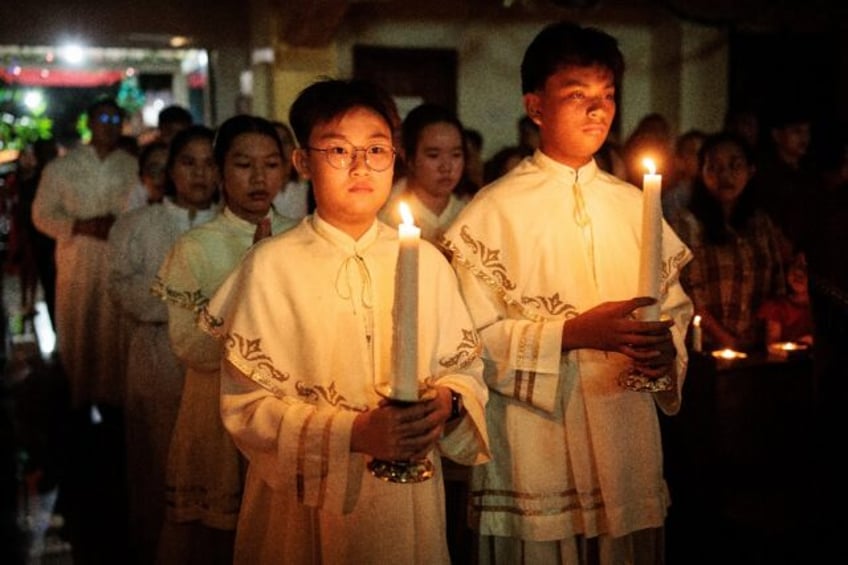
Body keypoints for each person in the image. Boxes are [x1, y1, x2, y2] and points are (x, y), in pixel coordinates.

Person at [204, 78, 490, 564]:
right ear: (302, 163)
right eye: (339, 149)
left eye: (376, 149)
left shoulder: (427, 262)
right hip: (302, 504)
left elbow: (466, 370)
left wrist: (447, 402)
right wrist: (354, 434)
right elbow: (247, 409)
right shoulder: (272, 266)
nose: (361, 166)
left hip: (406, 499)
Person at [442, 21, 693, 564]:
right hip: (533, 445)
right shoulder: (494, 210)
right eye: (577, 96)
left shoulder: (635, 207)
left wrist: (664, 351)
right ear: (535, 106)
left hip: (625, 428)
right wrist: (572, 333)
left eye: (606, 97)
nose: (598, 111)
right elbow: (466, 343)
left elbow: (674, 313)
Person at [152, 115, 296, 565]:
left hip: (286, 410)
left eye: (271, 164)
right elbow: (191, 347)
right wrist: (250, 275)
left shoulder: (301, 236)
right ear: (219, 170)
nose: (259, 178)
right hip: (215, 408)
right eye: (243, 164)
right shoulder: (195, 247)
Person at [108, 125, 219, 564]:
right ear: (171, 171)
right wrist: (192, 309)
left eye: (210, 164)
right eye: (188, 163)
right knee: (158, 460)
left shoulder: (234, 229)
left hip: (214, 369)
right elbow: (122, 289)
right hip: (157, 361)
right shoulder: (138, 225)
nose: (200, 174)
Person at [31, 96, 138, 410]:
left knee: (116, 329)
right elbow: (41, 214)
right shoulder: (63, 167)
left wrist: (117, 226)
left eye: (115, 120)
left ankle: (116, 402)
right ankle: (79, 396)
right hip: (78, 260)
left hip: (120, 258)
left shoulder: (132, 166)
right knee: (81, 326)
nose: (110, 127)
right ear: (90, 124)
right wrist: (80, 226)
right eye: (103, 120)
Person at [671, 131, 786, 352]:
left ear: (751, 170)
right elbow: (688, 292)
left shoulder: (761, 223)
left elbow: (776, 282)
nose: (725, 175)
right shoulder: (688, 223)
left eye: (735, 166)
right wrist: (726, 339)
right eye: (714, 167)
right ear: (702, 172)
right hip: (706, 347)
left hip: (759, 346)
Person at [379, 103, 469, 248]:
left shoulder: (470, 214)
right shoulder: (386, 217)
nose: (446, 167)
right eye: (433, 155)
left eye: (456, 155)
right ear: (408, 157)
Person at [757, 251, 813, 346]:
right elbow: (773, 345)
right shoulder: (777, 307)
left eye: (805, 266)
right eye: (795, 263)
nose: (798, 271)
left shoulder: (827, 309)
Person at [662, 129, 707, 225]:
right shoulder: (674, 197)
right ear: (679, 160)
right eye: (692, 152)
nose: (700, 158)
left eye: (702, 152)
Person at [270, 120, 312, 219]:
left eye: (285, 142)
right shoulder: (259, 193)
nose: (281, 148)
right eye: (275, 141)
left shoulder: (309, 190)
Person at [126, 140, 169, 210]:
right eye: (154, 170)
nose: (163, 176)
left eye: (168, 169)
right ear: (141, 176)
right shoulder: (135, 202)